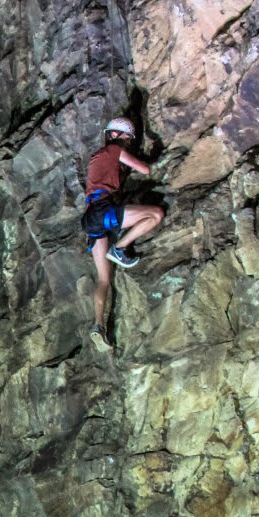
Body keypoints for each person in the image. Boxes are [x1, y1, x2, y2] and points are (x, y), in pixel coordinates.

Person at [82, 116, 163, 347]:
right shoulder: (113, 151)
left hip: (90, 219)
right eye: (128, 138)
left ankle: (98, 325)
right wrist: (151, 153)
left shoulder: (98, 157)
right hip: (103, 211)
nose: (129, 142)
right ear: (117, 136)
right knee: (156, 214)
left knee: (103, 279)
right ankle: (119, 248)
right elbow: (145, 169)